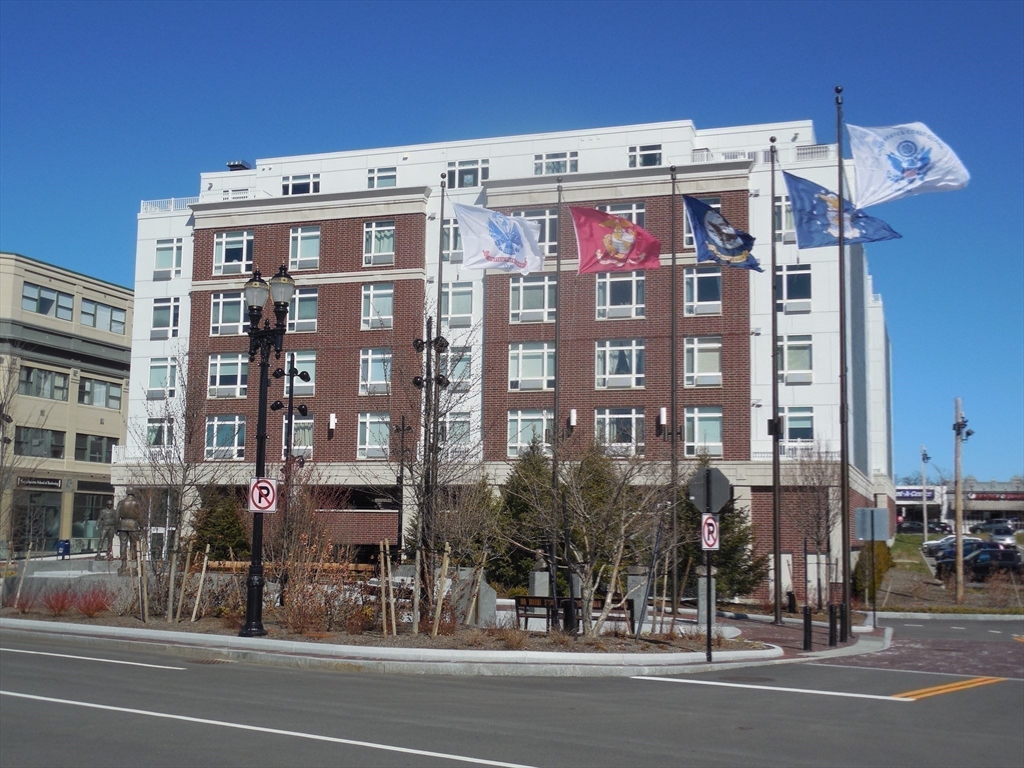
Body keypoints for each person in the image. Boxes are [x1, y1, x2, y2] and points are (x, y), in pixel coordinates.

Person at [116, 489, 142, 567]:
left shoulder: (121, 502)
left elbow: (117, 516)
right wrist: (141, 526)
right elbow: (140, 516)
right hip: (134, 525)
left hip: (123, 525)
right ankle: (137, 563)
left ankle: (123, 563)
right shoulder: (138, 503)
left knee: (123, 544)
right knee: (135, 544)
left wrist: (116, 527)